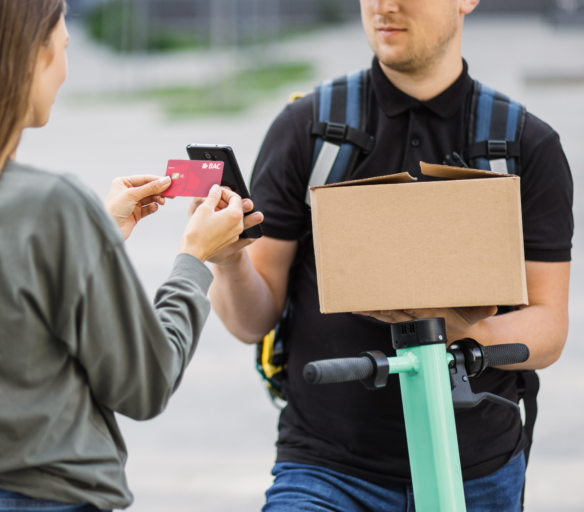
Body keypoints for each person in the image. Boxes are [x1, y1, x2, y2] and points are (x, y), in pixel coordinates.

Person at [0, 1, 262, 511]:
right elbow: (147, 382)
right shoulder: (53, 205)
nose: (65, 69)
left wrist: (93, 237)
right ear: (29, 54)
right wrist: (194, 256)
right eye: (63, 47)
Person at [200, 0, 573, 510]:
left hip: (476, 473)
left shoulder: (524, 145)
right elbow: (251, 321)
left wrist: (454, 331)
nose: (382, 6)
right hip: (325, 470)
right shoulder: (307, 130)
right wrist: (228, 261)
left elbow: (549, 328)